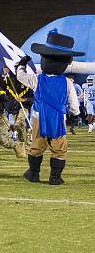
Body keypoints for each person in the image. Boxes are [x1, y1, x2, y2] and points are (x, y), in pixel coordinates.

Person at [17, 30, 82, 185]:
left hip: (39, 118)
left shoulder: (37, 79)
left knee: (37, 146)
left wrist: (22, 64)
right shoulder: (66, 83)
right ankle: (55, 177)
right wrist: (75, 114)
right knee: (59, 148)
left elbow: (21, 77)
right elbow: (73, 103)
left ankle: (33, 174)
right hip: (59, 119)